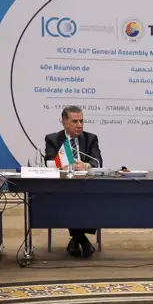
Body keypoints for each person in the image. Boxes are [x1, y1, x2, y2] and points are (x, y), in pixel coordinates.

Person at [44, 106, 102, 257]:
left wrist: (86, 165)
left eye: (81, 121)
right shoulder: (53, 139)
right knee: (70, 200)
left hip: (86, 188)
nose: (80, 125)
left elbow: (97, 161)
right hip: (62, 189)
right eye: (75, 121)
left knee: (84, 201)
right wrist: (61, 165)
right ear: (64, 122)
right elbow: (49, 161)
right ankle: (81, 239)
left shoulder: (91, 138)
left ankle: (76, 240)